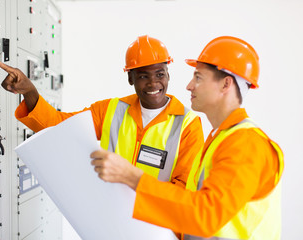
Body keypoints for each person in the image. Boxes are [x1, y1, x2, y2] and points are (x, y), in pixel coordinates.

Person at [91, 36, 284, 239]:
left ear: (226, 84)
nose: (189, 86)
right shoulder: (220, 139)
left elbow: (206, 215)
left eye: (198, 77)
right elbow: (192, 206)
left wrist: (132, 177)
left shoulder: (246, 144)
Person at [0, 35, 204, 190]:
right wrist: (30, 92)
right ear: (130, 78)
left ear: (168, 74)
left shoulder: (187, 124)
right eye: (143, 76)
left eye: (160, 74)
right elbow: (59, 126)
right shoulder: (111, 110)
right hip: (110, 220)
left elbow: (185, 188)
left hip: (156, 226)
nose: (153, 83)